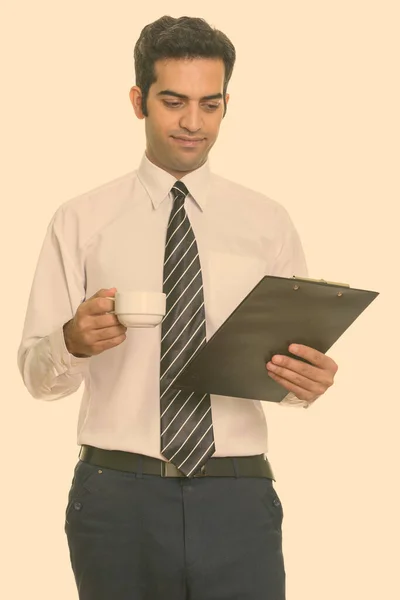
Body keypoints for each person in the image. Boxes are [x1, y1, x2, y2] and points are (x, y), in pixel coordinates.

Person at [17, 15, 338, 600]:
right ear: (139, 101)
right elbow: (38, 378)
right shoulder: (81, 220)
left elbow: (289, 363)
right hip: (117, 497)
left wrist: (305, 381)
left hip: (237, 497)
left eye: (210, 105)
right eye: (173, 101)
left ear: (226, 104)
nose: (193, 123)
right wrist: (71, 341)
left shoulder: (267, 223)